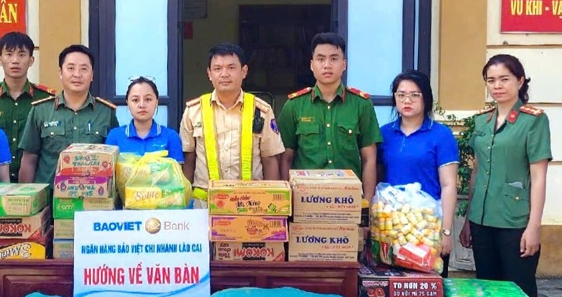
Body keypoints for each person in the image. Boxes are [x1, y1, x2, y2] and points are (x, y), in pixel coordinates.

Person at [460, 54, 550, 297]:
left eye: (504, 79)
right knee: (488, 294)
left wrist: (534, 227)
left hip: (516, 221)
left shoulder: (534, 121)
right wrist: (468, 219)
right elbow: (477, 171)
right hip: (482, 218)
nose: (497, 86)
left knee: (518, 296)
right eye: (491, 80)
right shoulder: (482, 120)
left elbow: (539, 176)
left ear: (520, 81)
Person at [278, 32, 382, 201]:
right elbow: (285, 158)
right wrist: (286, 202)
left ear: (344, 64)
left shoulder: (361, 105)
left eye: (334, 59)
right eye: (320, 59)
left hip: (349, 199)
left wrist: (367, 205)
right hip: (304, 199)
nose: (327, 65)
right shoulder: (294, 106)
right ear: (312, 65)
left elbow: (369, 159)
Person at [179, 43, 284, 204]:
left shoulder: (262, 110)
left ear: (244, 71)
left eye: (231, 68)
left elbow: (270, 159)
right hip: (204, 206)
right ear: (209, 73)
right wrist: (184, 205)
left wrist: (273, 205)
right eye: (217, 68)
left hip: (250, 205)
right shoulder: (193, 111)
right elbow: (188, 159)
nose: (224, 74)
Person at [380, 70, 459, 262]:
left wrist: (446, 231)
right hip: (391, 225)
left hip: (427, 225)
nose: (407, 100)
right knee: (390, 286)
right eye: (401, 95)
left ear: (426, 99)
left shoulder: (441, 135)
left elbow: (449, 185)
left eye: (415, 95)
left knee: (427, 286)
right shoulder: (384, 134)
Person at [18, 44, 119, 185]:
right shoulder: (41, 111)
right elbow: (29, 159)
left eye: (84, 69)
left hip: (93, 199)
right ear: (60, 73)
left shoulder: (106, 113)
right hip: (49, 201)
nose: (77, 74)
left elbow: (113, 160)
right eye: (70, 68)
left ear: (92, 75)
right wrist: (30, 201)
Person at [0, 31, 54, 182]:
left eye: (22, 54)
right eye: (9, 54)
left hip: (35, 183)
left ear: (31, 60)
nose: (15, 60)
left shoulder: (46, 99)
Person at [105, 77, 184, 160]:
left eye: (148, 99)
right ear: (127, 103)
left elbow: (177, 171)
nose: (142, 105)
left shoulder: (171, 137)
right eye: (135, 100)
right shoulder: (115, 137)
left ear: (156, 102)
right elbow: (107, 170)